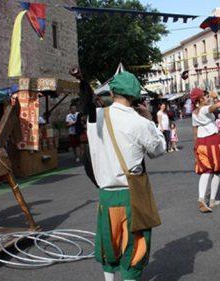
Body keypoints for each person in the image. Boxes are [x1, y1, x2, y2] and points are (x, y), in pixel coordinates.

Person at [85, 71, 166, 281]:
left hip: (106, 195)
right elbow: (158, 151)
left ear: (112, 92)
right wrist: (150, 121)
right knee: (133, 249)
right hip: (132, 195)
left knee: (108, 246)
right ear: (135, 96)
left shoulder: (96, 118)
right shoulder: (140, 123)